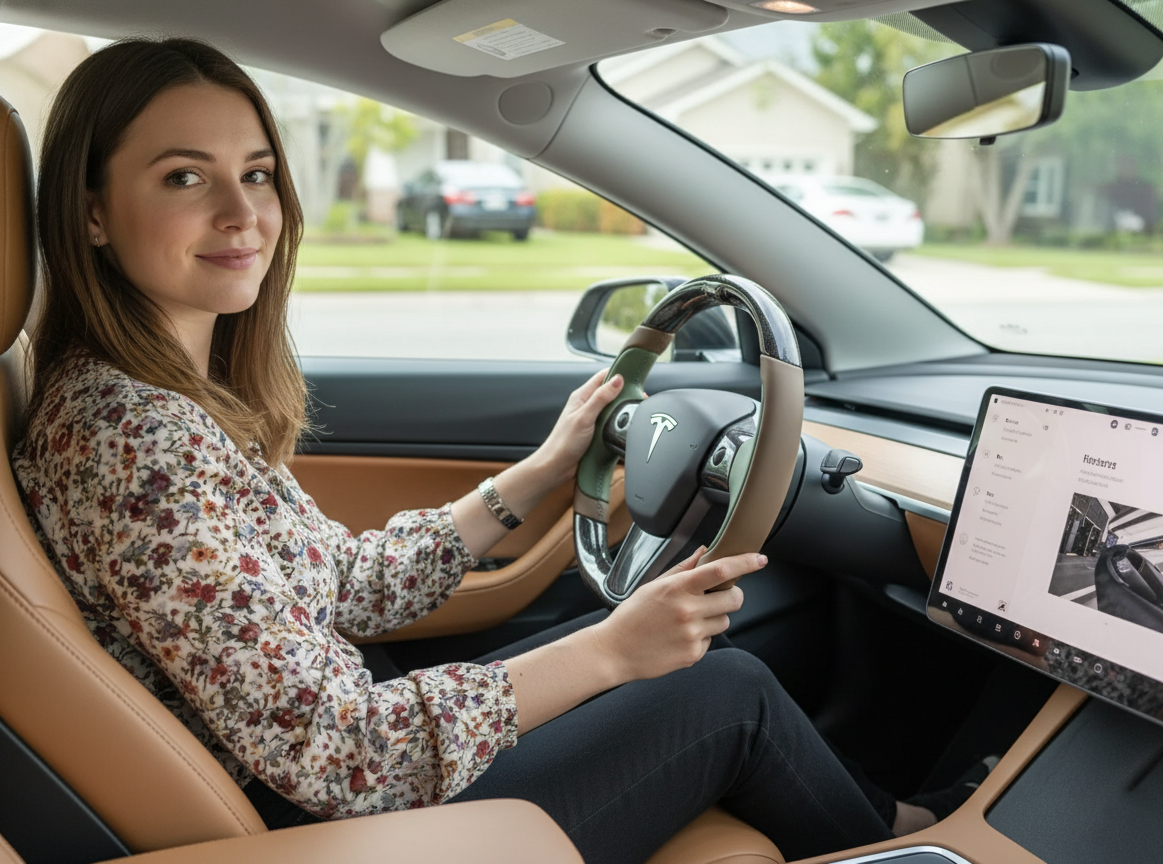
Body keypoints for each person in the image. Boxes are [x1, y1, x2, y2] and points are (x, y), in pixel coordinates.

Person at [14, 37, 958, 864]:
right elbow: (339, 754)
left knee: (701, 659)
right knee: (728, 689)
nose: (242, 212)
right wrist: (609, 654)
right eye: (185, 177)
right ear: (91, 212)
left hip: (316, 770)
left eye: (257, 172)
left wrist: (540, 476)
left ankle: (897, 825)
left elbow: (338, 582)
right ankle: (919, 843)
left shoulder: (154, 404)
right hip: (332, 814)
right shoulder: (133, 440)